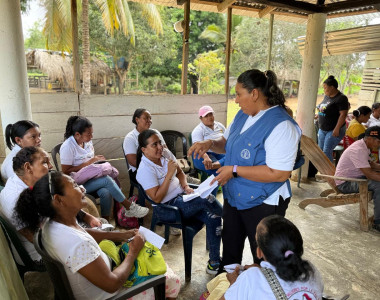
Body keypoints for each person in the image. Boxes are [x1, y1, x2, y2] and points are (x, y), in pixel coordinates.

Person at [188, 69, 301, 273]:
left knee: (264, 258)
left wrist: (234, 170)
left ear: (255, 94)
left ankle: (259, 289)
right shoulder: (243, 115)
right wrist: (209, 143)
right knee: (230, 247)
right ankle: (229, 284)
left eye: (239, 94)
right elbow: (226, 143)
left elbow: (279, 173)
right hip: (235, 197)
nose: (236, 100)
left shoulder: (282, 125)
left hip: (264, 202)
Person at [14, 172, 181, 300]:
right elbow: (113, 284)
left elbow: (83, 231)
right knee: (170, 279)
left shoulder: (52, 224)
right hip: (111, 295)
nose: (81, 188)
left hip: (95, 282)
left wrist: (122, 235)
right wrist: (133, 251)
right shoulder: (77, 244)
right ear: (59, 200)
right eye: (73, 185)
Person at [136, 129, 223, 274]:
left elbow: (181, 173)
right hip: (168, 209)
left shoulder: (165, 153)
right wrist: (169, 174)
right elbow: (157, 198)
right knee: (207, 198)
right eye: (154, 145)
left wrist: (186, 186)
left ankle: (214, 263)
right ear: (144, 150)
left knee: (214, 217)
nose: (160, 147)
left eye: (160, 142)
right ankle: (232, 220)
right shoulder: (144, 170)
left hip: (183, 198)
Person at [0, 147, 103, 264]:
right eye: (45, 162)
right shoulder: (14, 198)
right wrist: (81, 237)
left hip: (52, 235)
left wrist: (86, 217)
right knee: (99, 242)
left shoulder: (24, 180)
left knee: (99, 227)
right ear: (28, 167)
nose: (50, 166)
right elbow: (35, 238)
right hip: (40, 251)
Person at [60, 116, 149, 220]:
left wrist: (97, 161)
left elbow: (88, 161)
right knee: (107, 180)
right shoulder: (68, 146)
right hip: (76, 184)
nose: (91, 136)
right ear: (77, 134)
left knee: (105, 192)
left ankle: (105, 222)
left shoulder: (87, 142)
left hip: (90, 178)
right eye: (88, 134)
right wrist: (89, 162)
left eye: (92, 133)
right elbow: (65, 172)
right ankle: (129, 207)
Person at [221, 215, 323, 300]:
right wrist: (260, 272)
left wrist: (233, 284)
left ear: (259, 252)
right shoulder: (311, 271)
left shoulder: (249, 278)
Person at [335, 126, 380, 232]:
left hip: (356, 178)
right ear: (369, 138)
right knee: (378, 185)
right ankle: (378, 222)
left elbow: (371, 165)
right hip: (345, 183)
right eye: (378, 142)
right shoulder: (358, 150)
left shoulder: (364, 146)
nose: (379, 145)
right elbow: (369, 174)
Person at [123, 108, 167, 176]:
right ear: (137, 119)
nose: (149, 121)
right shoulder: (130, 138)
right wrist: (154, 166)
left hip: (161, 166)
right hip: (141, 170)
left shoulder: (156, 133)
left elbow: (165, 151)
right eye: (146, 118)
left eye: (150, 118)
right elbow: (133, 162)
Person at [317, 75, 349, 162]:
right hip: (323, 128)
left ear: (332, 87)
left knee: (326, 152)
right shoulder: (327, 96)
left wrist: (337, 128)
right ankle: (322, 170)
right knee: (320, 151)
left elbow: (343, 114)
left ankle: (329, 173)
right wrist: (318, 114)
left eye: (325, 88)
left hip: (333, 129)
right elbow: (324, 107)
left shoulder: (341, 98)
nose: (324, 90)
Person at [191, 105, 226, 176]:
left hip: (220, 152)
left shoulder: (220, 125)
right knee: (219, 171)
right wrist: (206, 157)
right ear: (201, 118)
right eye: (206, 116)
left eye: (211, 115)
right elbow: (197, 148)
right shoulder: (198, 130)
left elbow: (226, 139)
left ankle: (215, 165)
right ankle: (216, 167)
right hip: (205, 154)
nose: (209, 117)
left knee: (233, 159)